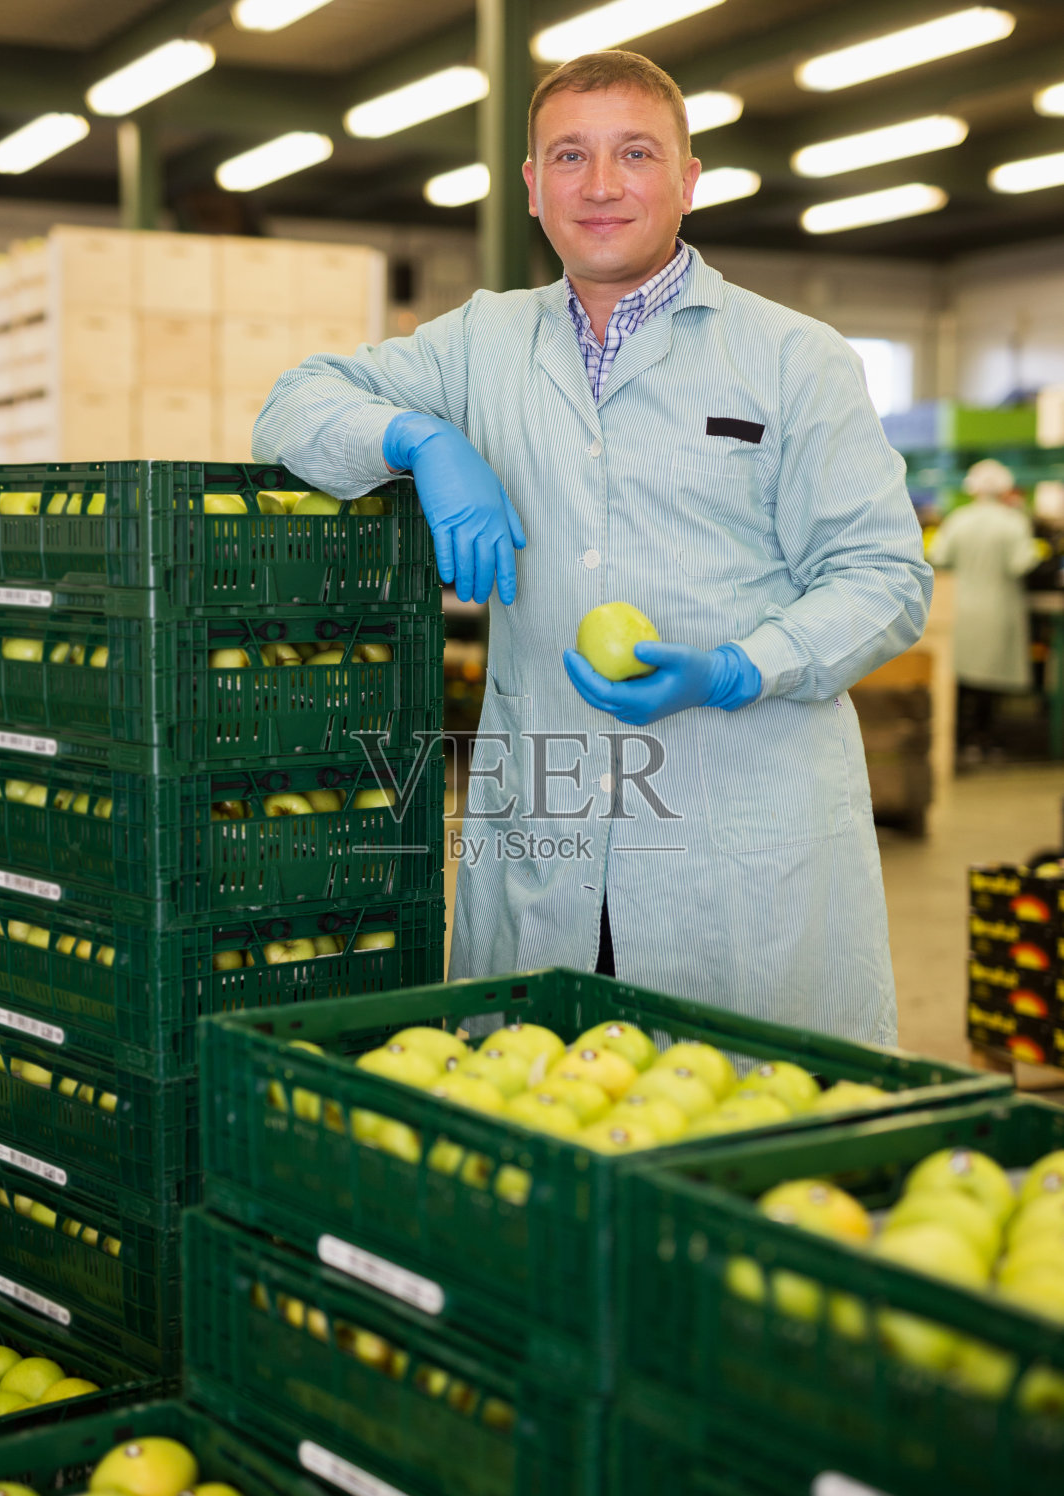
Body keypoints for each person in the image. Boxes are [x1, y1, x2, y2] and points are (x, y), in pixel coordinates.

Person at [253, 50, 932, 1048]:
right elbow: (289, 407)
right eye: (569, 155)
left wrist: (742, 666)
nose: (601, 185)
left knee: (740, 1136)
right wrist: (420, 439)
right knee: (536, 1128)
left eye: (635, 153)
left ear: (687, 180)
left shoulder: (793, 357)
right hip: (548, 843)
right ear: (531, 188)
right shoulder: (484, 342)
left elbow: (885, 576)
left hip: (734, 846)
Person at [928, 459, 1042, 764]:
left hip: (959, 610)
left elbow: (937, 557)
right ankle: (984, 740)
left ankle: (959, 739)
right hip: (998, 610)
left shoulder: (958, 519)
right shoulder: (1014, 522)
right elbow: (1022, 564)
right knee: (990, 682)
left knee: (960, 679)